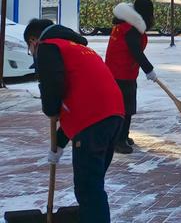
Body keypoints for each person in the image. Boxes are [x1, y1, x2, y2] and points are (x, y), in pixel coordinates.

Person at [23, 18, 125, 223]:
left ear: (34, 40)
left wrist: (50, 108)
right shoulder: (75, 47)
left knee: (89, 189)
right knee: (92, 184)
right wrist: (58, 145)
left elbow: (53, 85)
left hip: (94, 121)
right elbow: (81, 97)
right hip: (114, 116)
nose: (32, 52)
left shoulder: (47, 47)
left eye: (29, 47)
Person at [105, 0, 157, 154]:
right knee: (125, 108)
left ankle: (122, 136)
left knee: (125, 107)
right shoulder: (131, 28)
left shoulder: (124, 23)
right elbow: (135, 51)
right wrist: (149, 69)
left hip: (119, 70)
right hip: (121, 72)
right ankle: (119, 141)